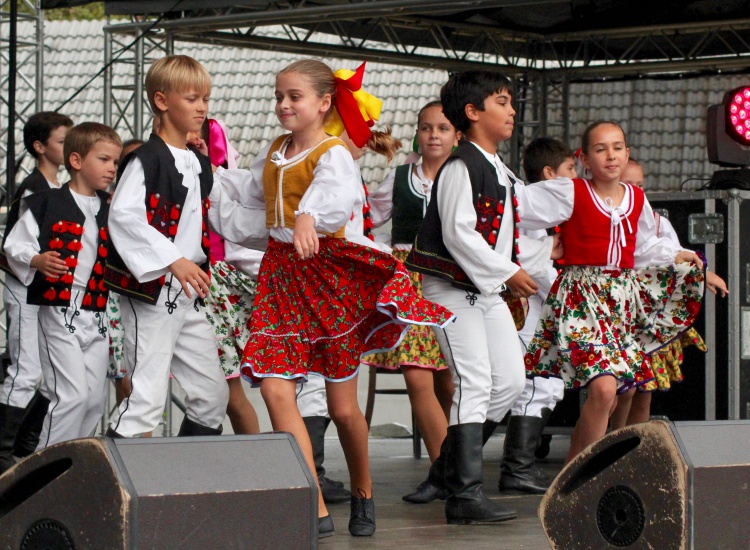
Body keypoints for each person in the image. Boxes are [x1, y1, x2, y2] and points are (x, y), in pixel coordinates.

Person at [213, 59, 454, 538]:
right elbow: (252, 191)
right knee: (275, 390)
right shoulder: (276, 150)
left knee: (343, 408)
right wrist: (208, 172)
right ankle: (314, 502)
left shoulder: (334, 153)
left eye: (294, 96)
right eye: (279, 96)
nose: (283, 105)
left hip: (328, 281)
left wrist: (308, 216)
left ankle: (363, 490)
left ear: (324, 102)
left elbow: (335, 198)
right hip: (282, 278)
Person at [405, 70, 551, 525]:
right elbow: (458, 233)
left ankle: (445, 474)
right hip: (451, 288)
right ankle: (464, 495)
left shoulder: (499, 169)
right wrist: (509, 272)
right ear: (472, 112)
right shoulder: (459, 166)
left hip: (483, 289)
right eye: (502, 102)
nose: (511, 111)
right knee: (473, 381)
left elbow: (515, 226)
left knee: (509, 381)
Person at [518, 121, 705, 463]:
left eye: (617, 147)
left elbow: (644, 246)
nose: (611, 155)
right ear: (585, 158)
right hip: (581, 297)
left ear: (627, 153)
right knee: (605, 390)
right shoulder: (570, 191)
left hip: (620, 301)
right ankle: (580, 476)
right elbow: (513, 210)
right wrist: (539, 248)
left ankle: (576, 473)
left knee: (617, 391)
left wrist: (678, 255)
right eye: (601, 149)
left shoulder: (636, 198)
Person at [104, 55, 261, 440]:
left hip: (190, 292)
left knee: (212, 396)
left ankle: (186, 473)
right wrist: (174, 259)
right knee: (146, 398)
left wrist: (281, 233)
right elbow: (123, 217)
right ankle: (104, 475)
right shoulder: (145, 159)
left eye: (205, 98)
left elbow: (224, 217)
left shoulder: (197, 162)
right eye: (192, 98)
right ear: (162, 101)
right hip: (153, 291)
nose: (202, 107)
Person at [364, 100, 459, 504]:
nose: (433, 135)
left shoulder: (466, 177)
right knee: (416, 373)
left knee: (448, 382)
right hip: (409, 282)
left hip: (452, 280)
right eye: (426, 127)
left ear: (458, 135)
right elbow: (367, 217)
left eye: (442, 128)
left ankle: (454, 468)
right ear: (417, 133)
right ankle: (446, 472)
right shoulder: (400, 177)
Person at [4, 122, 121, 449]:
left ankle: (75, 463)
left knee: (94, 400)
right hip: (58, 309)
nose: (112, 168)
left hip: (97, 312)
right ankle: (47, 466)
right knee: (70, 396)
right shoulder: (46, 202)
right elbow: (14, 245)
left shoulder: (111, 207)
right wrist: (37, 259)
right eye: (104, 159)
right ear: (76, 160)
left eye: (115, 161)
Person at [609, 158, 728, 429]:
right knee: (623, 389)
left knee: (644, 389)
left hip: (647, 317)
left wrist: (704, 273)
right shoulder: (608, 219)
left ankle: (635, 445)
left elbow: (676, 256)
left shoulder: (656, 223)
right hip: (618, 312)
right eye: (628, 184)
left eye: (640, 185)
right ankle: (613, 440)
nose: (635, 191)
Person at [496, 137, 575, 495]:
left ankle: (515, 468)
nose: (575, 178)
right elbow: (532, 266)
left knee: (537, 384)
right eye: (570, 169)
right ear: (549, 174)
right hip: (526, 309)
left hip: (538, 308)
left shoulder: (537, 210)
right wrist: (569, 296)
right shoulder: (529, 210)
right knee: (533, 383)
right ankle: (512, 469)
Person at [0, 111, 74, 471]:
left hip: (47, 292)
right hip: (25, 287)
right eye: (62, 141)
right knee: (26, 370)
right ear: (40, 147)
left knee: (49, 371)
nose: (69, 147)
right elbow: (13, 244)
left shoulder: (58, 187)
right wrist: (35, 259)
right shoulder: (34, 187)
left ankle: (24, 447)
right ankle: (4, 452)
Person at [188, 118, 262, 436]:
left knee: (229, 393)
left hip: (210, 285)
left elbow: (239, 233)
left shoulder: (217, 178)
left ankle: (259, 458)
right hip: (180, 284)